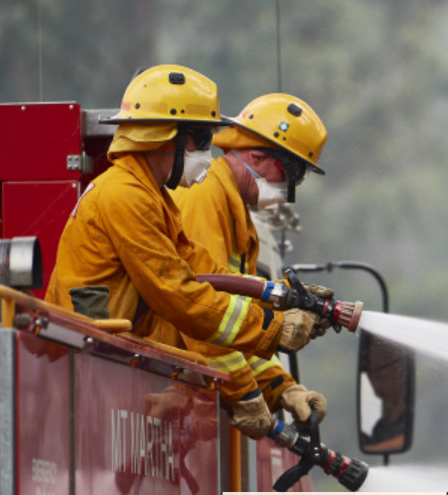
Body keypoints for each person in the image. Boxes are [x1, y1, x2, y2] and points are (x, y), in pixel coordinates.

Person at [46, 65, 321, 438]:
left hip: (105, 372)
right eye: (201, 141)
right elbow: (178, 293)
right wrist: (271, 331)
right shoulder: (126, 195)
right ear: (163, 137)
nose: (208, 154)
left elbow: (204, 271)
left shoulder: (150, 196)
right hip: (89, 377)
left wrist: (283, 306)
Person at [172, 93, 331, 426]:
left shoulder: (234, 212)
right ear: (257, 156)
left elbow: (235, 325)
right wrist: (245, 393)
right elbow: (202, 313)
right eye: (291, 173)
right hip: (168, 383)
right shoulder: (205, 196)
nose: (288, 190)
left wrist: (282, 388)